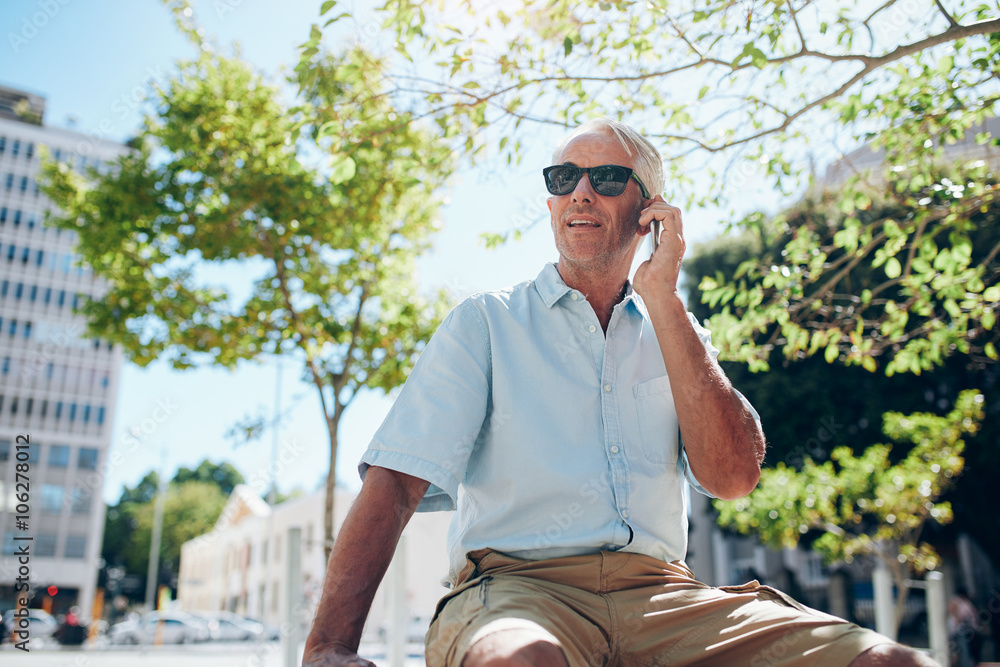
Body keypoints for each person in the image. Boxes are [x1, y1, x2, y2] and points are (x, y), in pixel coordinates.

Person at [303, 119, 937, 667]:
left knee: (888, 659)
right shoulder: (484, 323)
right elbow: (397, 481)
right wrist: (329, 645)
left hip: (665, 597)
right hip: (519, 588)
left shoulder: (678, 332)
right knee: (521, 658)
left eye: (605, 178)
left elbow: (733, 477)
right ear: (551, 203)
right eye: (563, 179)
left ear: (650, 209)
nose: (580, 191)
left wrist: (663, 298)